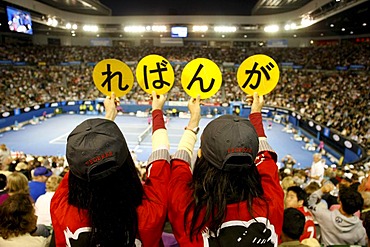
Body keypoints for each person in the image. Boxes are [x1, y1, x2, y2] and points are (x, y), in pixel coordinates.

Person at [50, 92, 170, 247]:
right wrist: (157, 111)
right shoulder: (151, 211)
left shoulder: (60, 207)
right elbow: (161, 158)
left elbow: (82, 164)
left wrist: (108, 118)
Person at [168, 92, 284, 246]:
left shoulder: (189, 212)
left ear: (200, 154)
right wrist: (256, 115)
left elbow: (179, 167)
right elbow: (266, 160)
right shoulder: (272, 203)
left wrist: (193, 123)